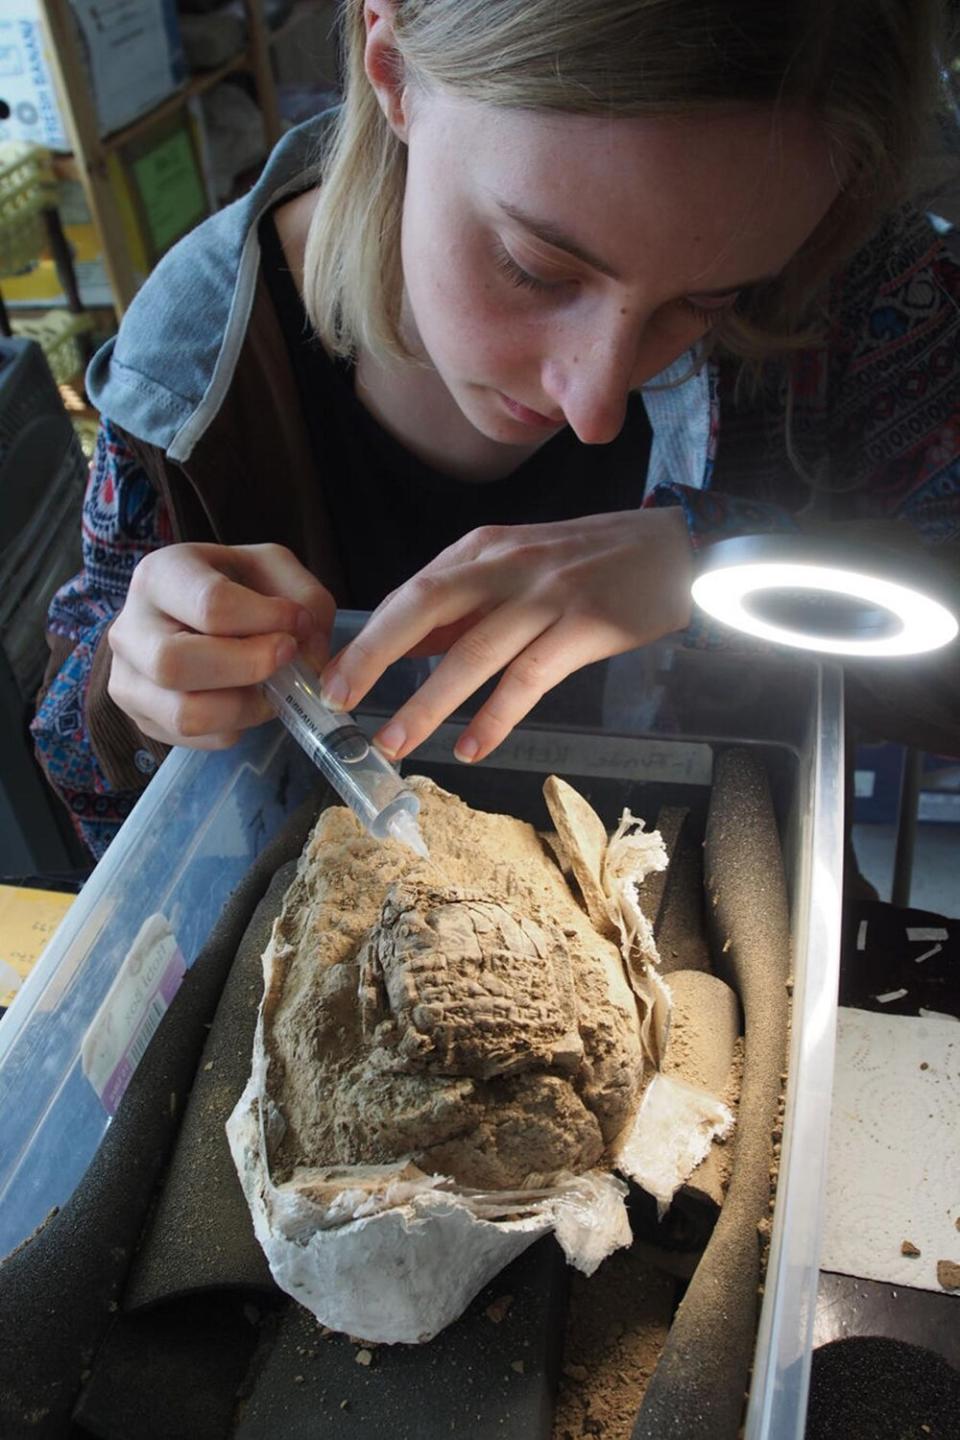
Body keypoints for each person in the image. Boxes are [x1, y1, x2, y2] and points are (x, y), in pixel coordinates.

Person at [34, 0, 960, 859]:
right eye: (535, 267)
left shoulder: (861, 288)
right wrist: (136, 686)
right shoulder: (199, 381)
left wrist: (712, 560)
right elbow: (81, 773)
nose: (594, 407)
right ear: (391, 66)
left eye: (710, 301)